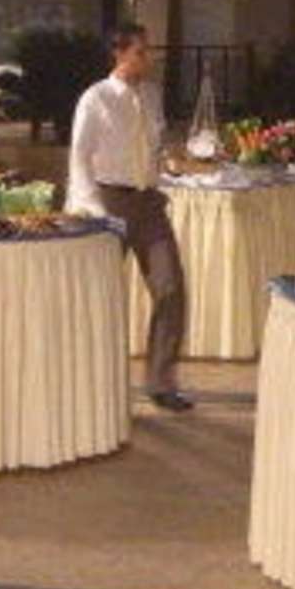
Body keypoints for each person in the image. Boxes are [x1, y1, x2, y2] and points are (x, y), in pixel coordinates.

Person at [68, 25, 192, 411]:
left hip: (148, 203)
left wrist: (171, 162)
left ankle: (161, 382)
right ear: (119, 54)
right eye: (140, 52)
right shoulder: (96, 98)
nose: (147, 58)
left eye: (148, 51)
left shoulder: (151, 96)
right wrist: (93, 210)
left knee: (170, 288)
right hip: (109, 202)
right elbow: (79, 157)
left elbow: (153, 146)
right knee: (102, 296)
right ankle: (92, 386)